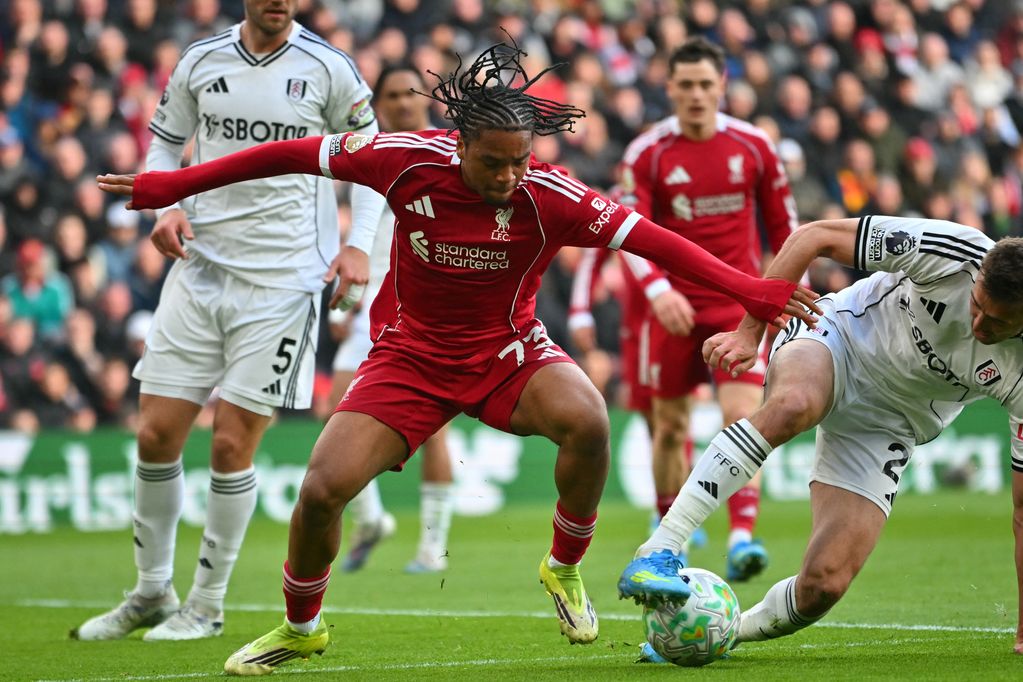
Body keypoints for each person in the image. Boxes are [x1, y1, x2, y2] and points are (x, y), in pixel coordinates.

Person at [96, 41, 819, 675]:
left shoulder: (549, 194)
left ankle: (563, 569)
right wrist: (172, 184)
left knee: (590, 421)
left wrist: (752, 289)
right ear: (459, 143)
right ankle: (301, 626)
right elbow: (288, 154)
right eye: (493, 163)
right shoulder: (402, 160)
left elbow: (655, 242)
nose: (509, 177)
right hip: (410, 360)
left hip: (509, 354)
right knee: (320, 491)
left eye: (519, 162)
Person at [72, 0, 386, 642]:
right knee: (156, 435)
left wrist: (360, 247)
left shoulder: (329, 69)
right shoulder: (201, 59)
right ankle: (152, 591)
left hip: (284, 280)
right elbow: (163, 141)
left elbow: (371, 160)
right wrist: (165, 204)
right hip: (199, 266)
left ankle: (207, 605)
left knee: (229, 445)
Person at [619, 214, 1023, 656]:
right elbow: (813, 236)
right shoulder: (955, 253)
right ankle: (660, 548)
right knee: (794, 405)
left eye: (998, 324)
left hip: (890, 423)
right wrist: (749, 332)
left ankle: (719, 634)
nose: (979, 324)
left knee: (824, 584)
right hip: (839, 338)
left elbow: (1021, 509)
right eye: (976, 305)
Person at [607, 36, 800, 581]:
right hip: (670, 310)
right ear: (669, 88)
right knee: (668, 429)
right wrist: (658, 292)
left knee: (742, 417)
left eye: (705, 85)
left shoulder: (755, 146)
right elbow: (627, 233)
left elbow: (787, 231)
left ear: (722, 87)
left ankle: (742, 536)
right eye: (685, 85)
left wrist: (772, 299)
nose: (696, 95)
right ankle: (675, 542)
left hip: (738, 308)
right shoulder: (647, 153)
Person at [330, 64, 455, 576]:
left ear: (426, 97)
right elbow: (359, 244)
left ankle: (433, 546)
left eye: (411, 93)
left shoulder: (447, 155)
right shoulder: (368, 161)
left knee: (434, 432)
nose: (403, 102)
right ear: (377, 104)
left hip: (426, 310)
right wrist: (343, 304)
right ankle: (372, 517)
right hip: (373, 306)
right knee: (336, 405)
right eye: (392, 96)